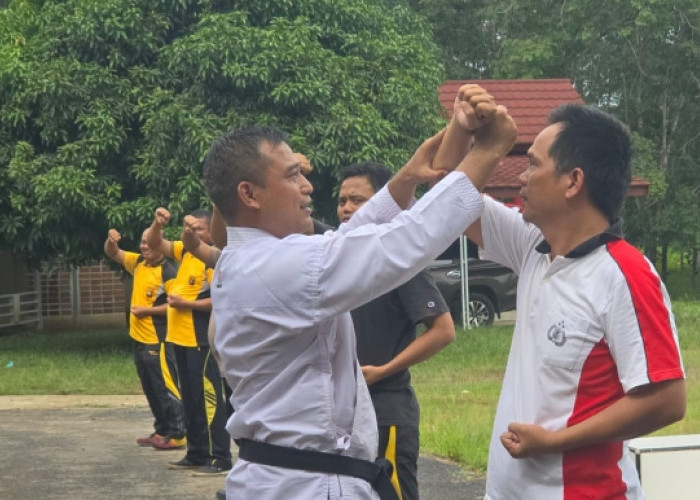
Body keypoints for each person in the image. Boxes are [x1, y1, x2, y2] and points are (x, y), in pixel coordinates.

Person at [201, 85, 517, 499]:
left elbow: (352, 235)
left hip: (284, 479)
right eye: (293, 175)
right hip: (307, 486)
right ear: (249, 193)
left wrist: (405, 179)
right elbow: (407, 242)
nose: (307, 187)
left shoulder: (246, 263)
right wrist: (487, 152)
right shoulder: (277, 266)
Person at [437, 97, 686, 499]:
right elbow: (446, 199)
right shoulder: (533, 246)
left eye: (534, 164)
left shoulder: (625, 274)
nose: (521, 176)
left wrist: (554, 441)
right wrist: (462, 129)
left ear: (573, 182)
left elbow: (667, 400)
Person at [337, 161, 456, 499]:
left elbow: (443, 330)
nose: (347, 208)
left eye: (358, 201)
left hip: (386, 410)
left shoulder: (399, 262)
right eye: (342, 200)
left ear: (383, 204)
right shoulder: (339, 256)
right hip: (345, 413)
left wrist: (383, 371)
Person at [146, 209, 232, 475]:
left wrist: (187, 304)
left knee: (209, 400)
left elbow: (221, 298)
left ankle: (219, 458)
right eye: (190, 229)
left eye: (200, 229)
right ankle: (196, 453)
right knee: (191, 399)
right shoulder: (185, 252)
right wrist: (158, 225)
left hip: (201, 340)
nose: (194, 234)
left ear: (212, 230)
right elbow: (154, 243)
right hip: (179, 338)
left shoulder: (212, 259)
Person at [103, 228, 186, 449]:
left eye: (150, 242)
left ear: (160, 244)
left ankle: (178, 433)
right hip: (139, 339)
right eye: (142, 242)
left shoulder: (168, 271)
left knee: (165, 387)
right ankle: (162, 430)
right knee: (150, 387)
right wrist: (111, 241)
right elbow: (114, 253)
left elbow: (174, 305)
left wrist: (147, 311)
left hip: (157, 340)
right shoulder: (138, 263)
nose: (145, 246)